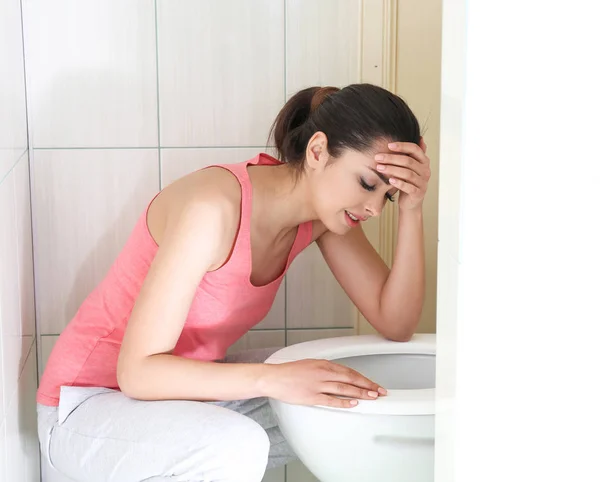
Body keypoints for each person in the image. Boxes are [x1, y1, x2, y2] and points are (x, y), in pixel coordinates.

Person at [36, 83, 431, 482]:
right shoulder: (212, 210)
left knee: (351, 395)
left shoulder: (327, 217)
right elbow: (137, 373)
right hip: (86, 407)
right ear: (317, 151)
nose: (375, 208)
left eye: (390, 196)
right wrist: (274, 379)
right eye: (367, 183)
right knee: (241, 442)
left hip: (179, 395)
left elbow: (395, 324)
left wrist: (412, 210)